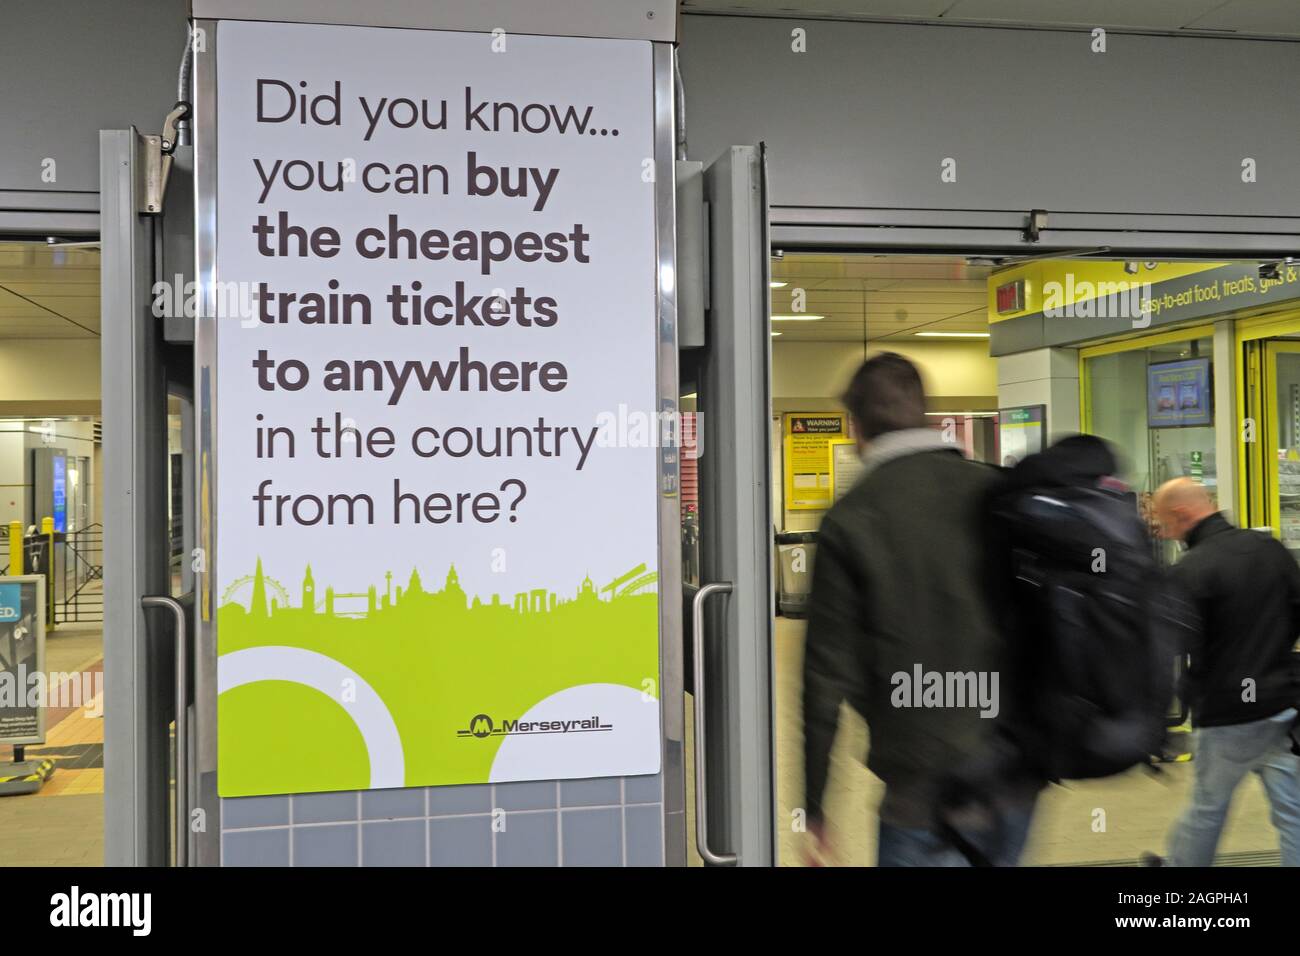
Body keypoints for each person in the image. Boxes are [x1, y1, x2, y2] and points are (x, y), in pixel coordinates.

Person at [801, 353, 1034, 866]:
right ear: (925, 414)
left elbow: (824, 683)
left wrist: (815, 805)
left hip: (922, 789)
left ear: (858, 429)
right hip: (1013, 778)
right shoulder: (997, 491)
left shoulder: (852, 519)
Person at [1152, 478, 1300, 867]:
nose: (1165, 533)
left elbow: (1175, 646)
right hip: (1281, 704)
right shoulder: (1270, 549)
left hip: (1226, 713)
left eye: (1164, 523)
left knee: (1207, 807)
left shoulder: (1191, 569)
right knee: (1292, 811)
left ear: (1182, 515)